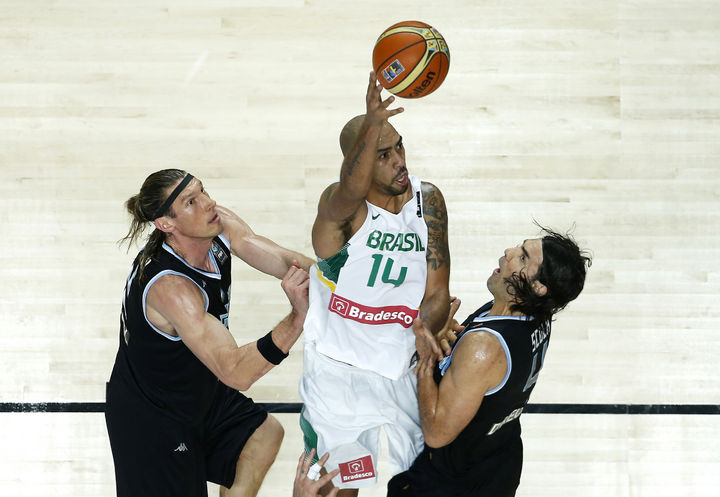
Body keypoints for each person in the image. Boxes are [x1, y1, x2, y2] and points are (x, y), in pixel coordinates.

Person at [294, 226, 590, 497]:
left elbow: (437, 433)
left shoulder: (484, 347)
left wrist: (426, 360)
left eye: (523, 258)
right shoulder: (536, 315)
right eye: (519, 247)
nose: (509, 252)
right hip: (497, 462)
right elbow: (483, 374)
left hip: (452, 484)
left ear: (539, 288)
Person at [105, 169, 315, 497]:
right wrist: (298, 318)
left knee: (262, 435)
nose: (208, 203)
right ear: (166, 223)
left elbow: (281, 259)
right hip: (153, 419)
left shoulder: (215, 226)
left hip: (196, 390)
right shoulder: (172, 289)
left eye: (202, 191)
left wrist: (333, 284)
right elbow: (235, 371)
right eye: (191, 201)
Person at [298, 72, 451, 496]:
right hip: (339, 377)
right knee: (342, 488)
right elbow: (349, 190)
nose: (399, 160)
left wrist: (425, 328)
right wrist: (371, 124)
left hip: (403, 370)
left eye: (399, 146)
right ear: (361, 160)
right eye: (383, 154)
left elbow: (437, 291)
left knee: (417, 488)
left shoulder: (427, 200)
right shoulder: (341, 212)